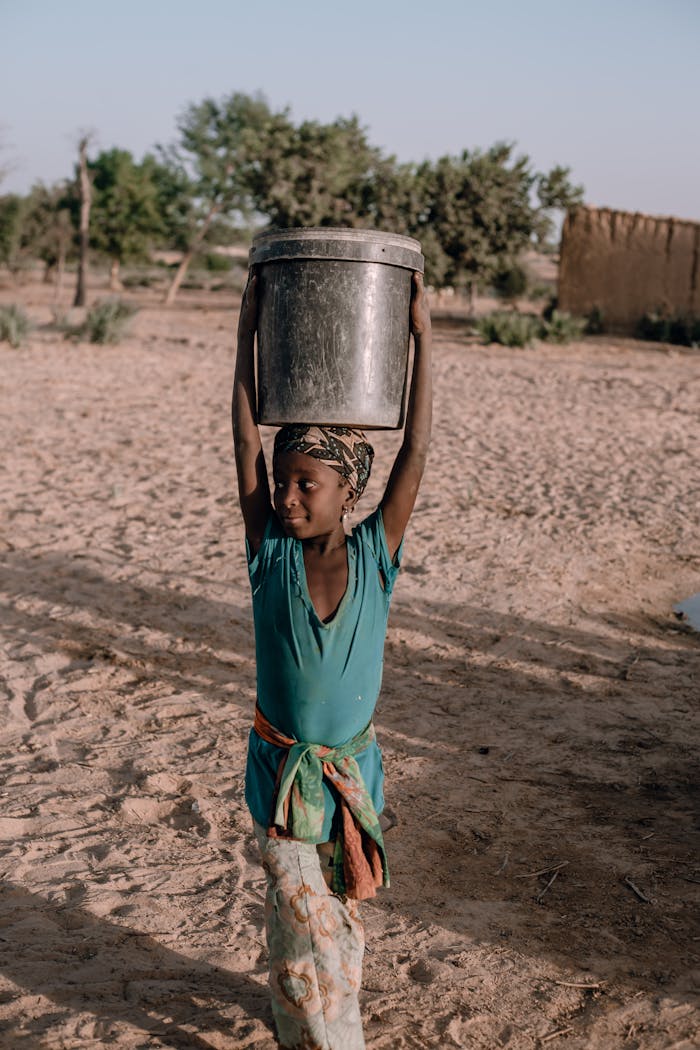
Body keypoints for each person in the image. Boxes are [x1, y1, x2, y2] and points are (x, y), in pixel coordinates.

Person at [232, 266, 432, 1050]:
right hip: (281, 775)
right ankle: (325, 1039)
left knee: (338, 908)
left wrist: (422, 338)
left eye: (305, 483)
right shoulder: (269, 556)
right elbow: (245, 435)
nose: (286, 497)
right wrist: (247, 332)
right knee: (297, 910)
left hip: (350, 775)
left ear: (348, 488)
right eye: (282, 482)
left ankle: (310, 1019)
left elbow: (417, 446)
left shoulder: (378, 556)